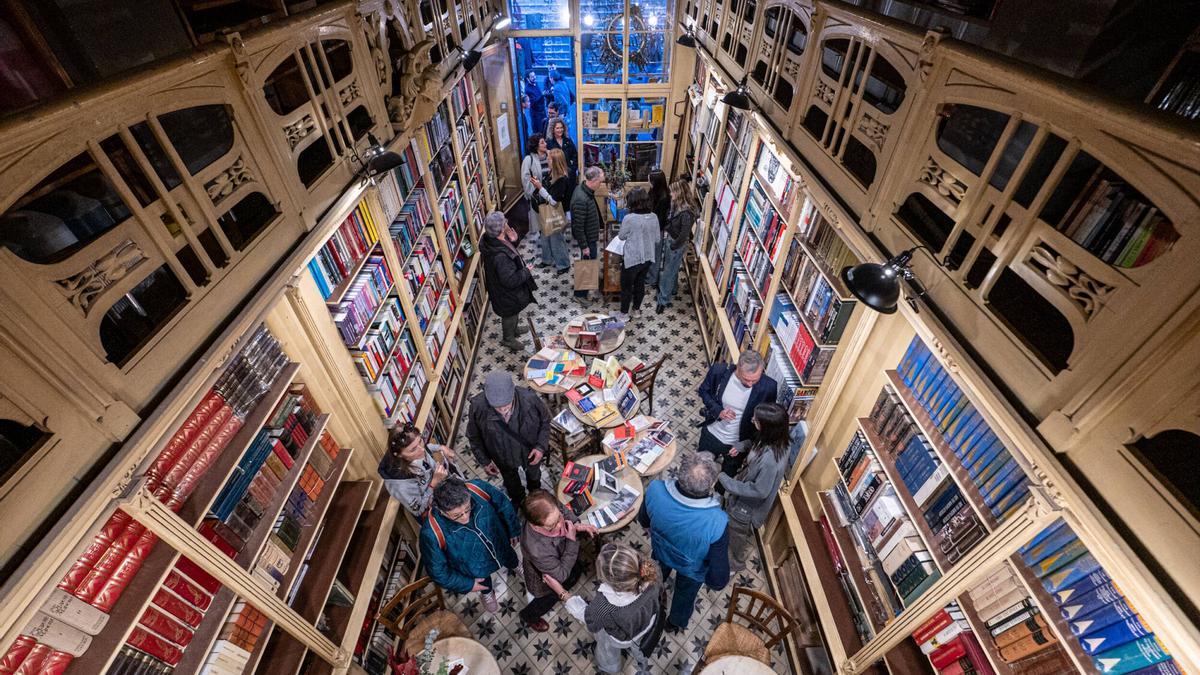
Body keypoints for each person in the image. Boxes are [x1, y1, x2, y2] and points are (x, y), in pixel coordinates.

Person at [638, 451, 729, 632]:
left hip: (661, 552)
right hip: (691, 569)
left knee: (653, 578)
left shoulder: (655, 489)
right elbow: (718, 580)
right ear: (712, 484)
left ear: (679, 473)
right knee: (685, 595)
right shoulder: (717, 521)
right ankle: (674, 622)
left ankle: (649, 601)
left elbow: (644, 520)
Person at [419, 478, 520, 613]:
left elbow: (504, 505)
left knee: (509, 555)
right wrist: (468, 584)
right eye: (456, 515)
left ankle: (516, 565)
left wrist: (514, 529)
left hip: (499, 541)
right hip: (473, 566)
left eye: (468, 509)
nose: (465, 517)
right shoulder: (431, 533)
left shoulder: (477, 489)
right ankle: (487, 593)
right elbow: (437, 571)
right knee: (482, 580)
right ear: (441, 510)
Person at [719, 402, 791, 571]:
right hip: (741, 495)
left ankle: (733, 566)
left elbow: (759, 491)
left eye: (756, 420)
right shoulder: (780, 440)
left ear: (768, 428)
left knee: (735, 540)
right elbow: (756, 444)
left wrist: (724, 479)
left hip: (746, 510)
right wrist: (742, 446)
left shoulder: (771, 461)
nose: (752, 420)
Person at [466, 371, 551, 505]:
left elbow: (545, 421)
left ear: (513, 393)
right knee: (512, 484)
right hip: (502, 458)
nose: (502, 410)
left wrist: (540, 447)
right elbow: (474, 437)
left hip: (530, 452)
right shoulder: (478, 407)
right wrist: (485, 461)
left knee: (534, 478)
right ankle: (519, 500)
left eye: (506, 404)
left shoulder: (529, 399)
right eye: (497, 406)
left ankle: (535, 496)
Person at [519, 491, 598, 631]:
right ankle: (529, 616)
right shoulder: (536, 549)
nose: (561, 525)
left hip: (561, 557)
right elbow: (560, 575)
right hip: (546, 579)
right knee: (549, 598)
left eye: (559, 518)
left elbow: (564, 511)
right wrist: (572, 540)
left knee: (574, 572)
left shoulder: (549, 506)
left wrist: (576, 524)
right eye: (552, 526)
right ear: (535, 526)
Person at [583, 543, 663, 674]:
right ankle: (641, 658)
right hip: (649, 621)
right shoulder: (653, 569)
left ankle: (610, 667)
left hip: (623, 638)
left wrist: (566, 596)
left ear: (611, 581)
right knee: (638, 644)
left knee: (605, 646)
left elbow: (592, 624)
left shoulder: (604, 605)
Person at [697, 350, 779, 478]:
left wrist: (746, 444)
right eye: (746, 379)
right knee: (699, 470)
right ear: (738, 368)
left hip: (737, 444)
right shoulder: (718, 371)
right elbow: (703, 391)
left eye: (755, 380)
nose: (750, 384)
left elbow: (766, 420)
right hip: (712, 434)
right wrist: (718, 411)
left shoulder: (769, 387)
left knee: (728, 476)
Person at [377, 421, 464, 516]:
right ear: (399, 455)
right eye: (413, 449)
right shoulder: (399, 485)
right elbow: (419, 510)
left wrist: (440, 447)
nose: (422, 449)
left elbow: (426, 447)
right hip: (435, 508)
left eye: (420, 441)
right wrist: (434, 483)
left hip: (444, 487)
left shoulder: (416, 451)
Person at [479, 211, 536, 352]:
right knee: (509, 314)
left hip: (505, 291)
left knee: (514, 311)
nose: (507, 223)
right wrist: (526, 271)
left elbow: (509, 251)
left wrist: (513, 240)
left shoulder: (494, 239)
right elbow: (510, 280)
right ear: (499, 229)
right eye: (504, 222)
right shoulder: (499, 257)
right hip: (505, 293)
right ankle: (508, 338)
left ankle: (514, 329)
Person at [656, 178, 700, 313]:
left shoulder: (686, 213)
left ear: (679, 193)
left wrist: (673, 246)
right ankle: (673, 289)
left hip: (676, 244)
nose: (670, 194)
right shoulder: (677, 204)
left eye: (672, 192)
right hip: (671, 239)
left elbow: (683, 235)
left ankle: (663, 300)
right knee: (672, 268)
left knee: (668, 272)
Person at [616, 187, 660, 318]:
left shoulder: (629, 218)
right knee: (640, 284)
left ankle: (623, 313)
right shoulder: (654, 217)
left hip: (632, 259)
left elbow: (621, 236)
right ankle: (636, 310)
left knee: (626, 287)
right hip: (647, 258)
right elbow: (657, 239)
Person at [521, 133, 560, 271]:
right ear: (536, 145)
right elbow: (525, 179)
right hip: (538, 200)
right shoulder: (529, 159)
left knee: (553, 229)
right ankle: (546, 258)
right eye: (542, 142)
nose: (546, 144)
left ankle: (555, 256)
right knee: (543, 230)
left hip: (551, 197)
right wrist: (534, 191)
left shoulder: (550, 155)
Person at [570, 165, 606, 301]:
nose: (601, 184)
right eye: (600, 182)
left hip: (589, 236)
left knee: (588, 265)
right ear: (594, 181)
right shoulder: (581, 198)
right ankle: (580, 295)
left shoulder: (585, 189)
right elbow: (578, 227)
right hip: (587, 240)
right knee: (586, 266)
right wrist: (584, 247)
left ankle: (583, 292)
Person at [646, 169, 670, 286]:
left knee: (655, 254)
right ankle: (648, 274)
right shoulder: (653, 191)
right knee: (649, 252)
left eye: (649, 180)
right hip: (650, 225)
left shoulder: (664, 198)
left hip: (657, 230)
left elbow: (661, 219)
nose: (648, 182)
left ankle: (652, 278)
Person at [524, 71, 548, 141]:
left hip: (542, 111)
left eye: (534, 75)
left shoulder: (536, 83)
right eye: (532, 77)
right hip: (536, 114)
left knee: (545, 129)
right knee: (539, 132)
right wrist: (542, 95)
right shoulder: (527, 89)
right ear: (528, 79)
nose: (534, 77)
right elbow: (533, 101)